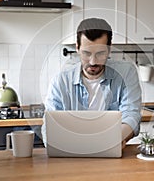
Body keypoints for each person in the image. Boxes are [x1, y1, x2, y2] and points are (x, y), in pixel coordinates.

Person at [42, 18, 141, 148]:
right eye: (86, 53)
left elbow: (131, 115)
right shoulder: (60, 81)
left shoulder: (126, 73)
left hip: (111, 151)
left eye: (100, 53)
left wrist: (114, 139)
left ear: (109, 49)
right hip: (71, 154)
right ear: (77, 48)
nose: (93, 62)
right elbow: (49, 128)